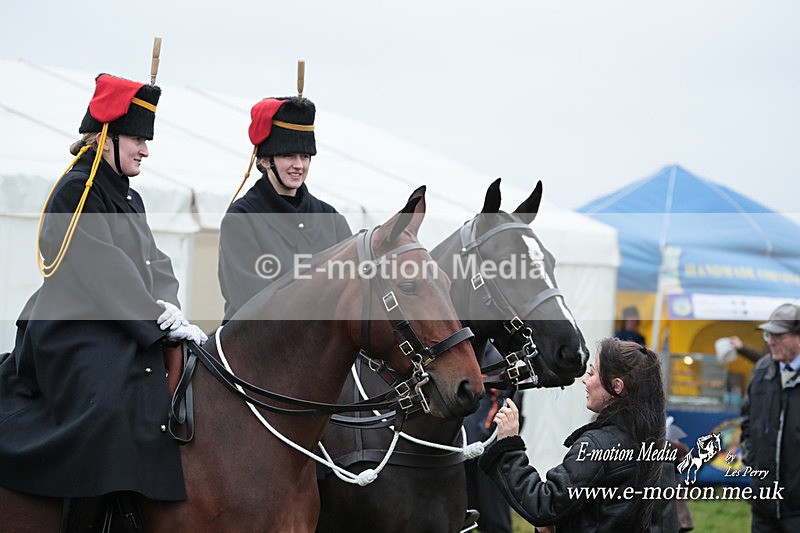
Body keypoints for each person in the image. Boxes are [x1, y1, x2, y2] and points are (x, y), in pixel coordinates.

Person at [0, 73, 206, 531]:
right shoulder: (76, 190)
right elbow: (101, 270)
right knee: (108, 406)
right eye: (137, 139)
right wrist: (154, 319)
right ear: (106, 138)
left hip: (125, 323)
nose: (145, 150)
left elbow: (156, 262)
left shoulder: (130, 197)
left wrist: (169, 308)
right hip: (72, 330)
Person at [479, 338, 677, 532]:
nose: (585, 380)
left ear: (616, 386)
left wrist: (508, 449)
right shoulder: (660, 449)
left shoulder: (598, 446)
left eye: (592, 373)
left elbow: (543, 505)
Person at [218, 92, 351, 321]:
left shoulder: (332, 219)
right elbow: (251, 299)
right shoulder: (241, 218)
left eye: (305, 156)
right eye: (288, 156)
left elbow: (352, 289)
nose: (299, 165)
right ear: (264, 160)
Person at [740, 302, 800, 532]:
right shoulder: (762, 369)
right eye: (768, 334)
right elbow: (747, 420)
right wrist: (751, 457)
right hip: (763, 506)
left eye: (779, 336)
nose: (770, 341)